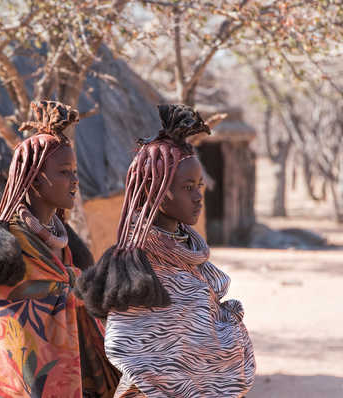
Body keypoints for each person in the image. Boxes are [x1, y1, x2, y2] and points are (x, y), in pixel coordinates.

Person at [0, 100, 119, 398]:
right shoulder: (8, 246)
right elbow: (19, 345)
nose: (75, 180)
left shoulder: (61, 243)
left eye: (75, 171)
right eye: (65, 172)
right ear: (36, 179)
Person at [78, 104, 255, 398]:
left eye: (200, 185)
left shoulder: (191, 259)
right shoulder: (137, 271)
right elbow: (129, 348)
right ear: (152, 189)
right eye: (187, 187)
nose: (199, 196)